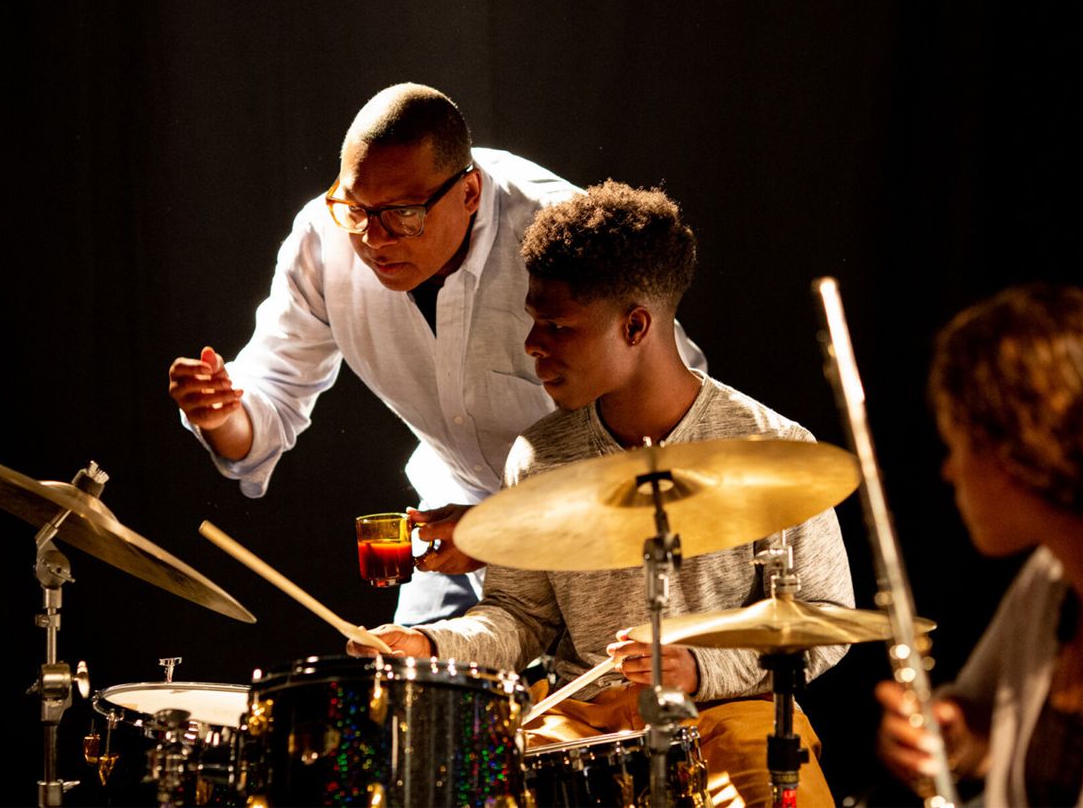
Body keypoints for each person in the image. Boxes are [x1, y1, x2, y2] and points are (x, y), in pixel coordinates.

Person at [347, 181, 855, 807]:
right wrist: (430, 645)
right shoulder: (540, 455)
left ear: (635, 325)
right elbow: (519, 617)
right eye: (533, 322)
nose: (533, 345)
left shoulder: (774, 448)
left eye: (557, 326)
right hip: (582, 723)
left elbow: (825, 621)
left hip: (733, 714)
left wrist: (700, 669)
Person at [166, 82, 707, 624]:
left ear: (469, 192)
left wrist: (504, 529)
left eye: (404, 214)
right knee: (411, 694)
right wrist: (221, 415)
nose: (375, 239)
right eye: (358, 209)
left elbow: (675, 431)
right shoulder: (326, 236)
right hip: (453, 523)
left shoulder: (563, 237)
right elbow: (271, 402)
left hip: (594, 531)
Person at [875, 284, 1083, 806]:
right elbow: (978, 712)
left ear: (1011, 449)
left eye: (955, 442)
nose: (948, 470)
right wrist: (953, 734)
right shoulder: (1051, 577)